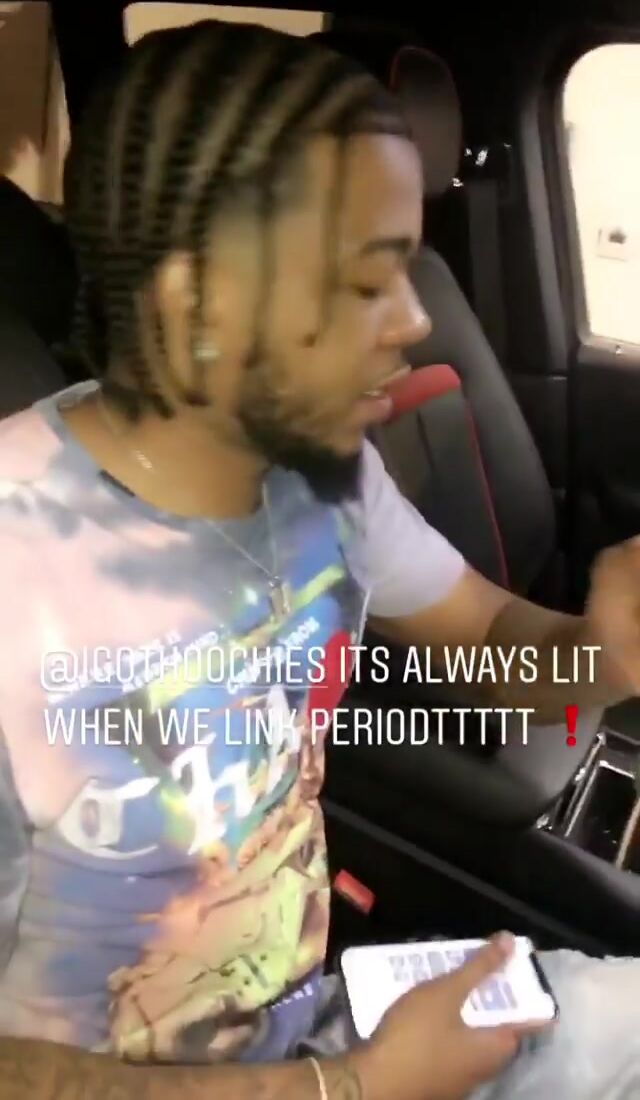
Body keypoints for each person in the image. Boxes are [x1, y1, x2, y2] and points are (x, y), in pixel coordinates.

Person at [0, 20, 638, 1100]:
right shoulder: (19, 561)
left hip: (319, 1034)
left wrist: (604, 652)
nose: (416, 319)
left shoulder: (324, 475)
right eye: (364, 283)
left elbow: (488, 637)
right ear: (201, 302)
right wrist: (353, 1087)